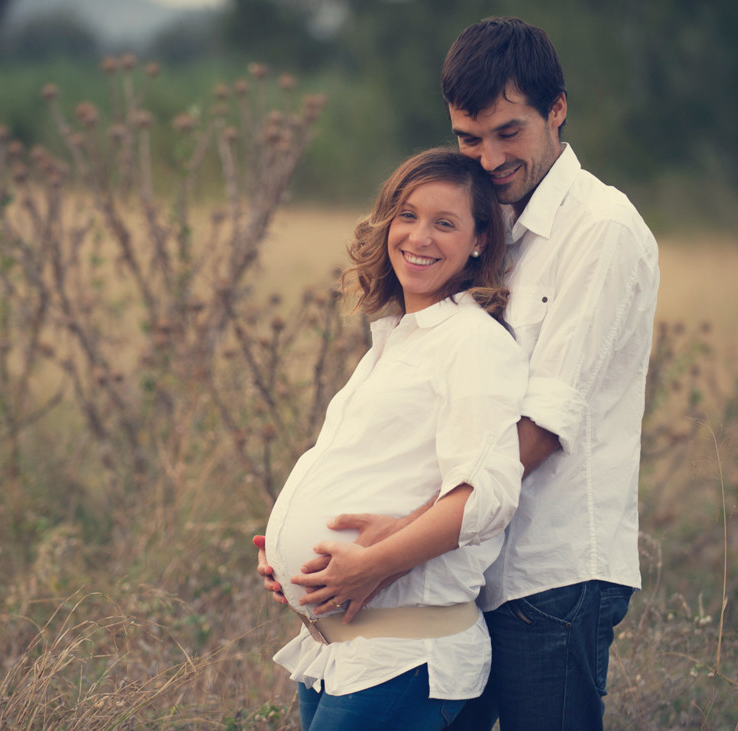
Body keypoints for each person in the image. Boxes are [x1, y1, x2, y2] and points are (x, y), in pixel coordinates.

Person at [257, 16, 660, 730]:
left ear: (556, 110)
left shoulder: (599, 228)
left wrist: (387, 548)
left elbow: (540, 426)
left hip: (550, 568)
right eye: (469, 138)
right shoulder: (492, 226)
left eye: (510, 132)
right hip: (463, 572)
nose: (490, 156)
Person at [260, 147, 529, 730]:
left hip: (406, 656)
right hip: (342, 649)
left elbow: (486, 496)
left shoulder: (472, 342)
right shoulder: (397, 340)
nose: (419, 236)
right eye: (407, 215)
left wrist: (369, 565)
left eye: (445, 223)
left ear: (480, 241)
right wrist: (293, 564)